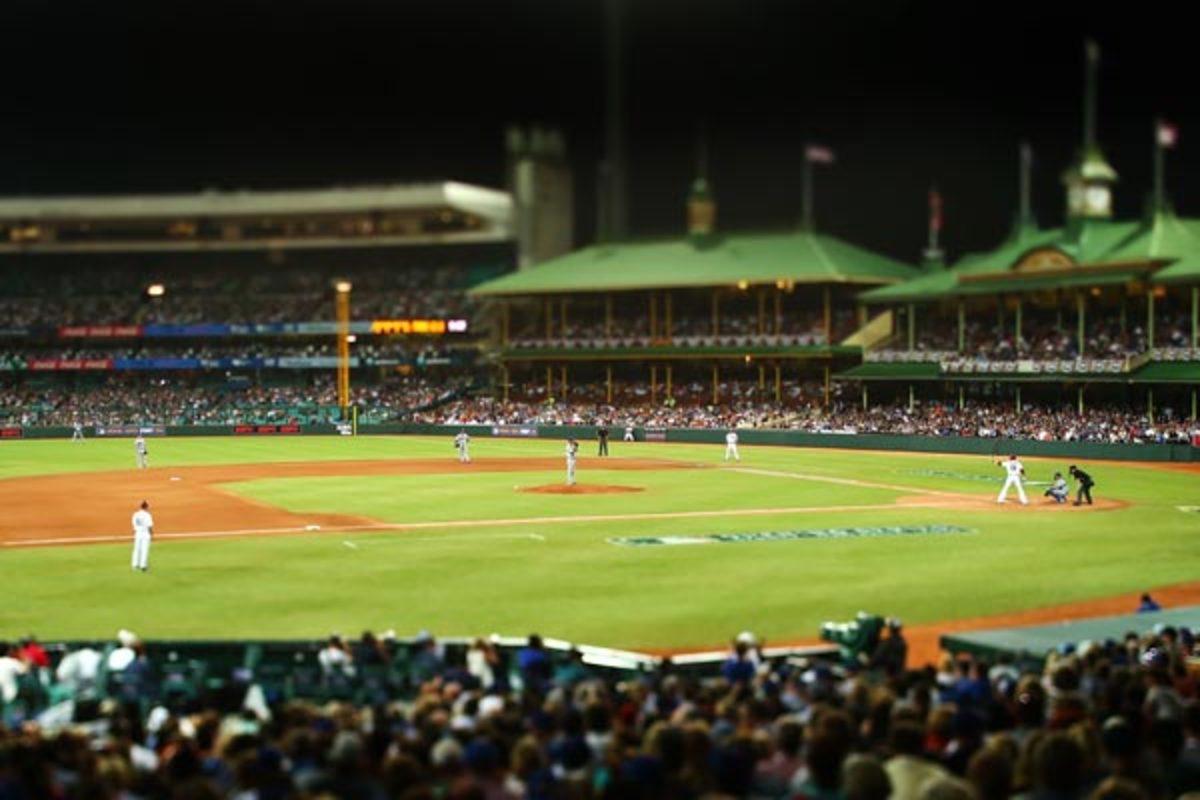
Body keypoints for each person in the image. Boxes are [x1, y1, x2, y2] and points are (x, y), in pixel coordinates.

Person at [131, 500, 154, 572]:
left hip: (137, 533)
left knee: (136, 549)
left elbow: (134, 525)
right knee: (144, 550)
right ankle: (143, 566)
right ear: (146, 507)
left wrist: (135, 532)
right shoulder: (147, 515)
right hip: (145, 534)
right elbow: (149, 526)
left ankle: (135, 565)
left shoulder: (135, 514)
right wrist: (151, 534)